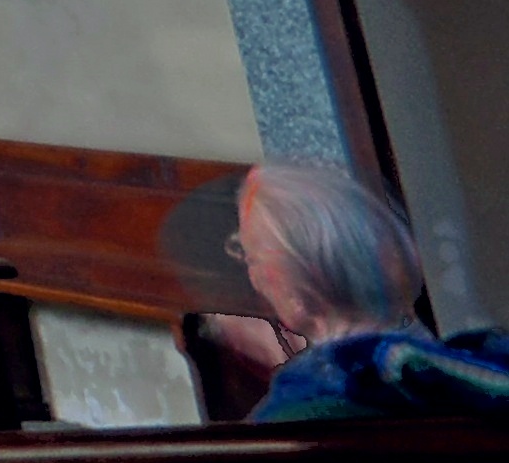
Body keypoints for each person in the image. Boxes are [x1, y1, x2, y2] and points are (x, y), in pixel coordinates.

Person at [205, 160, 509, 422]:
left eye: (253, 259)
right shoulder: (480, 365)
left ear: (297, 292)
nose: (255, 278)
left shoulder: (311, 403)